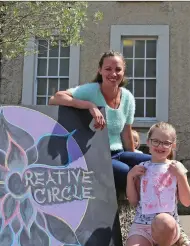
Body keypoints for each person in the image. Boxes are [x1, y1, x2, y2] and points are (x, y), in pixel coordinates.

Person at [49, 51, 151, 191]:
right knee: (125, 172)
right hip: (96, 154)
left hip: (119, 152)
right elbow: (56, 98)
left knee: (154, 164)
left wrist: (133, 158)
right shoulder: (91, 91)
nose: (113, 74)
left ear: (123, 71)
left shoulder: (128, 97)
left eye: (118, 69)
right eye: (108, 69)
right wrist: (90, 106)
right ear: (100, 70)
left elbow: (126, 134)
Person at [121, 122, 190, 246]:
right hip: (142, 227)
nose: (160, 146)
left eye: (166, 143)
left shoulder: (176, 167)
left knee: (163, 220)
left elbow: (187, 202)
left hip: (167, 227)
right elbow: (133, 201)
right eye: (156, 141)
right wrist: (130, 176)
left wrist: (181, 175)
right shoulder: (141, 168)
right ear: (148, 142)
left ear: (173, 145)